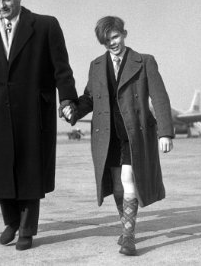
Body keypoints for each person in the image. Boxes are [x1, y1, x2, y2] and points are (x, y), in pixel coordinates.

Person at [0, 0, 78, 250]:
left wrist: (68, 99)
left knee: (30, 170)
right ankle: (11, 220)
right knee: (1, 170)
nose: (2, 5)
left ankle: (27, 229)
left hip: (33, 110)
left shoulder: (45, 25)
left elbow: (62, 68)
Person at [63, 16, 174, 256]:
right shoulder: (96, 65)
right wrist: (73, 110)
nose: (112, 43)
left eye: (115, 37)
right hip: (106, 133)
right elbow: (90, 98)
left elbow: (160, 97)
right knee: (116, 186)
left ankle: (129, 237)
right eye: (106, 41)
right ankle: (125, 229)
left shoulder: (144, 62)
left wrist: (165, 132)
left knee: (127, 179)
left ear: (124, 33)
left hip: (133, 133)